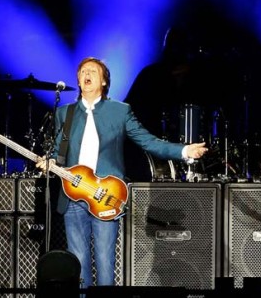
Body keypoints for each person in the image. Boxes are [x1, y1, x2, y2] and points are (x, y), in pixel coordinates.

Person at [35, 56, 208, 288]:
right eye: (83, 71)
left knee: (105, 261)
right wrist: (50, 161)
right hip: (73, 196)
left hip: (105, 195)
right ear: (77, 78)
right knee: (78, 262)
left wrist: (184, 150)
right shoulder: (64, 113)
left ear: (104, 81)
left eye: (93, 72)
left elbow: (148, 141)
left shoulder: (120, 111)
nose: (86, 75)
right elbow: (59, 150)